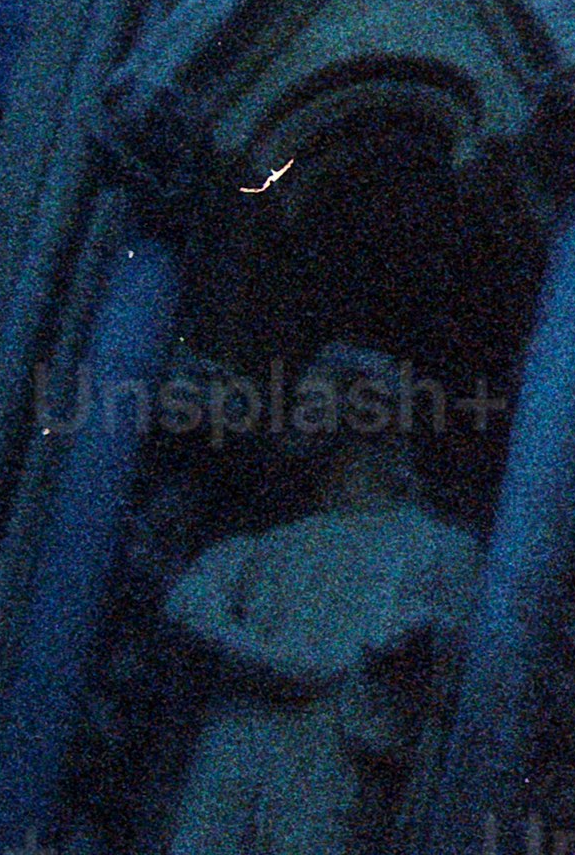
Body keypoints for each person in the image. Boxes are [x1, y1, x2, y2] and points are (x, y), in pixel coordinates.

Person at [153, 351, 479, 855]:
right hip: (233, 774)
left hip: (330, 783)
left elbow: (453, 685)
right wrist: (291, 667)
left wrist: (414, 647)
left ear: (364, 409)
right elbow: (187, 608)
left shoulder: (436, 548)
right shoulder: (269, 547)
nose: (294, 417)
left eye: (309, 401)